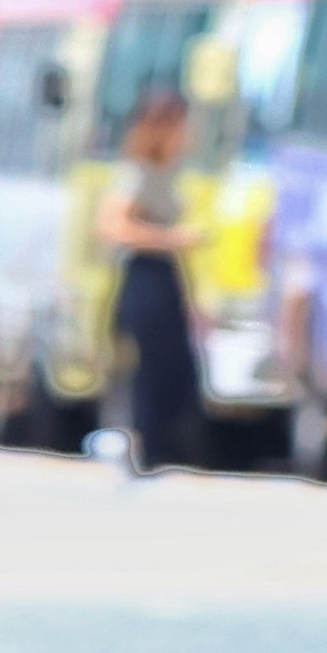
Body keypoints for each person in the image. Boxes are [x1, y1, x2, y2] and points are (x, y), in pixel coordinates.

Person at [103, 88, 198, 477]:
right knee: (151, 366)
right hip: (144, 274)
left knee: (174, 367)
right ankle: (146, 446)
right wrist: (171, 239)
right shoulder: (136, 173)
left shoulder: (168, 174)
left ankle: (165, 448)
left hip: (165, 276)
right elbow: (111, 225)